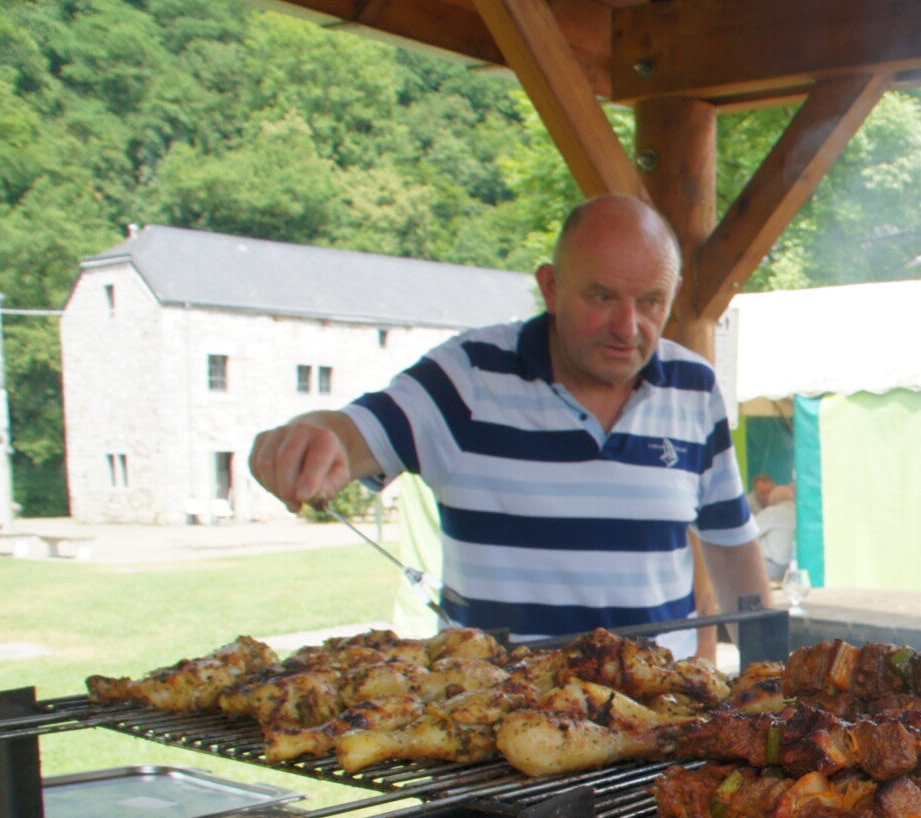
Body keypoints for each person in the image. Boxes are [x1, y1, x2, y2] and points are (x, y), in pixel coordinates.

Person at [248, 196, 769, 659]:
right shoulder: (469, 375)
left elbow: (732, 547)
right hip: (499, 714)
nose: (627, 327)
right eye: (602, 297)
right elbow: (356, 434)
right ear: (551, 287)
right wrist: (310, 438)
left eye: (651, 302)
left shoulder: (694, 386)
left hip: (662, 710)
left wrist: (773, 679)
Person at [757, 483, 797, 579]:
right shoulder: (798, 513)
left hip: (771, 568)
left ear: (772, 500)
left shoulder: (771, 512)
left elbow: (751, 533)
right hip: (794, 566)